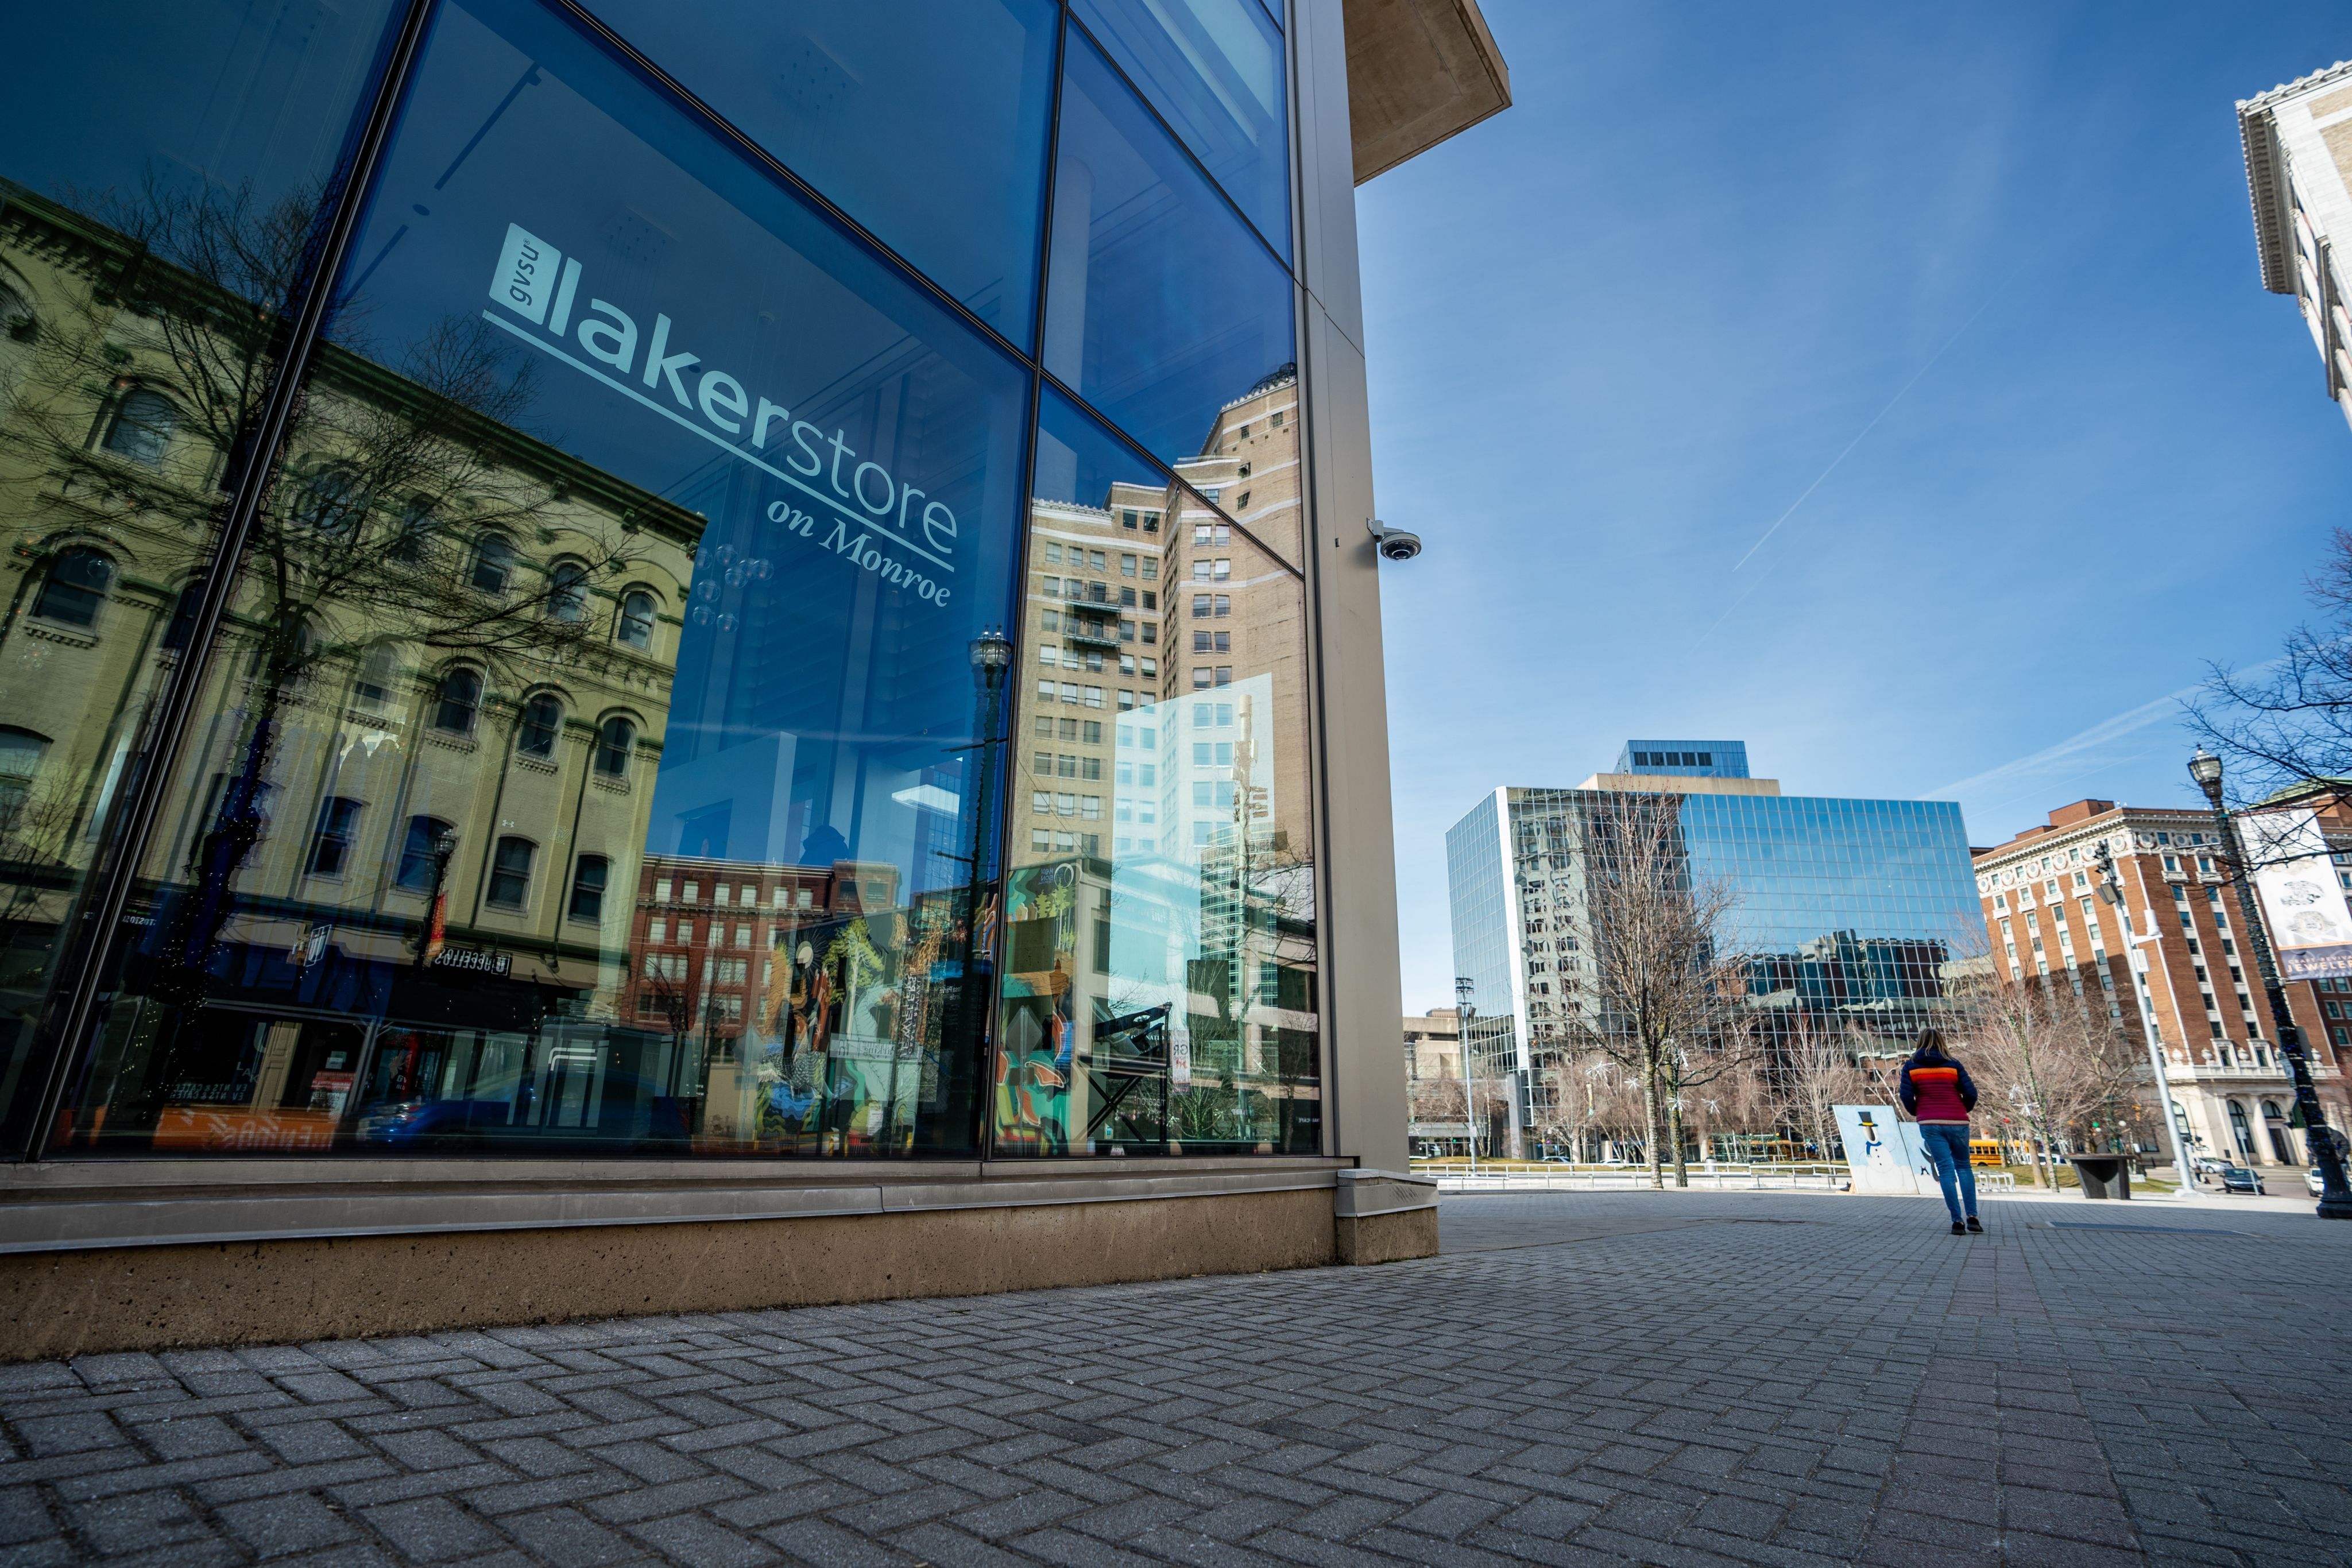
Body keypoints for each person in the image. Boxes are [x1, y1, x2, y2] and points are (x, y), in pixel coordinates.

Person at [1900, 1031, 1983, 1234]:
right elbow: (1971, 1093)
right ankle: (1972, 1217)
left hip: (1930, 1122)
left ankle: (1957, 1221)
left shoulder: (1911, 1066)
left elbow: (1906, 1095)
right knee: (1964, 1167)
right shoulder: (1954, 1065)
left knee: (1945, 1170)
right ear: (1942, 1042)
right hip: (1957, 1121)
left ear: (1919, 1043)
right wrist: (1962, 1109)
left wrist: (1918, 1112)